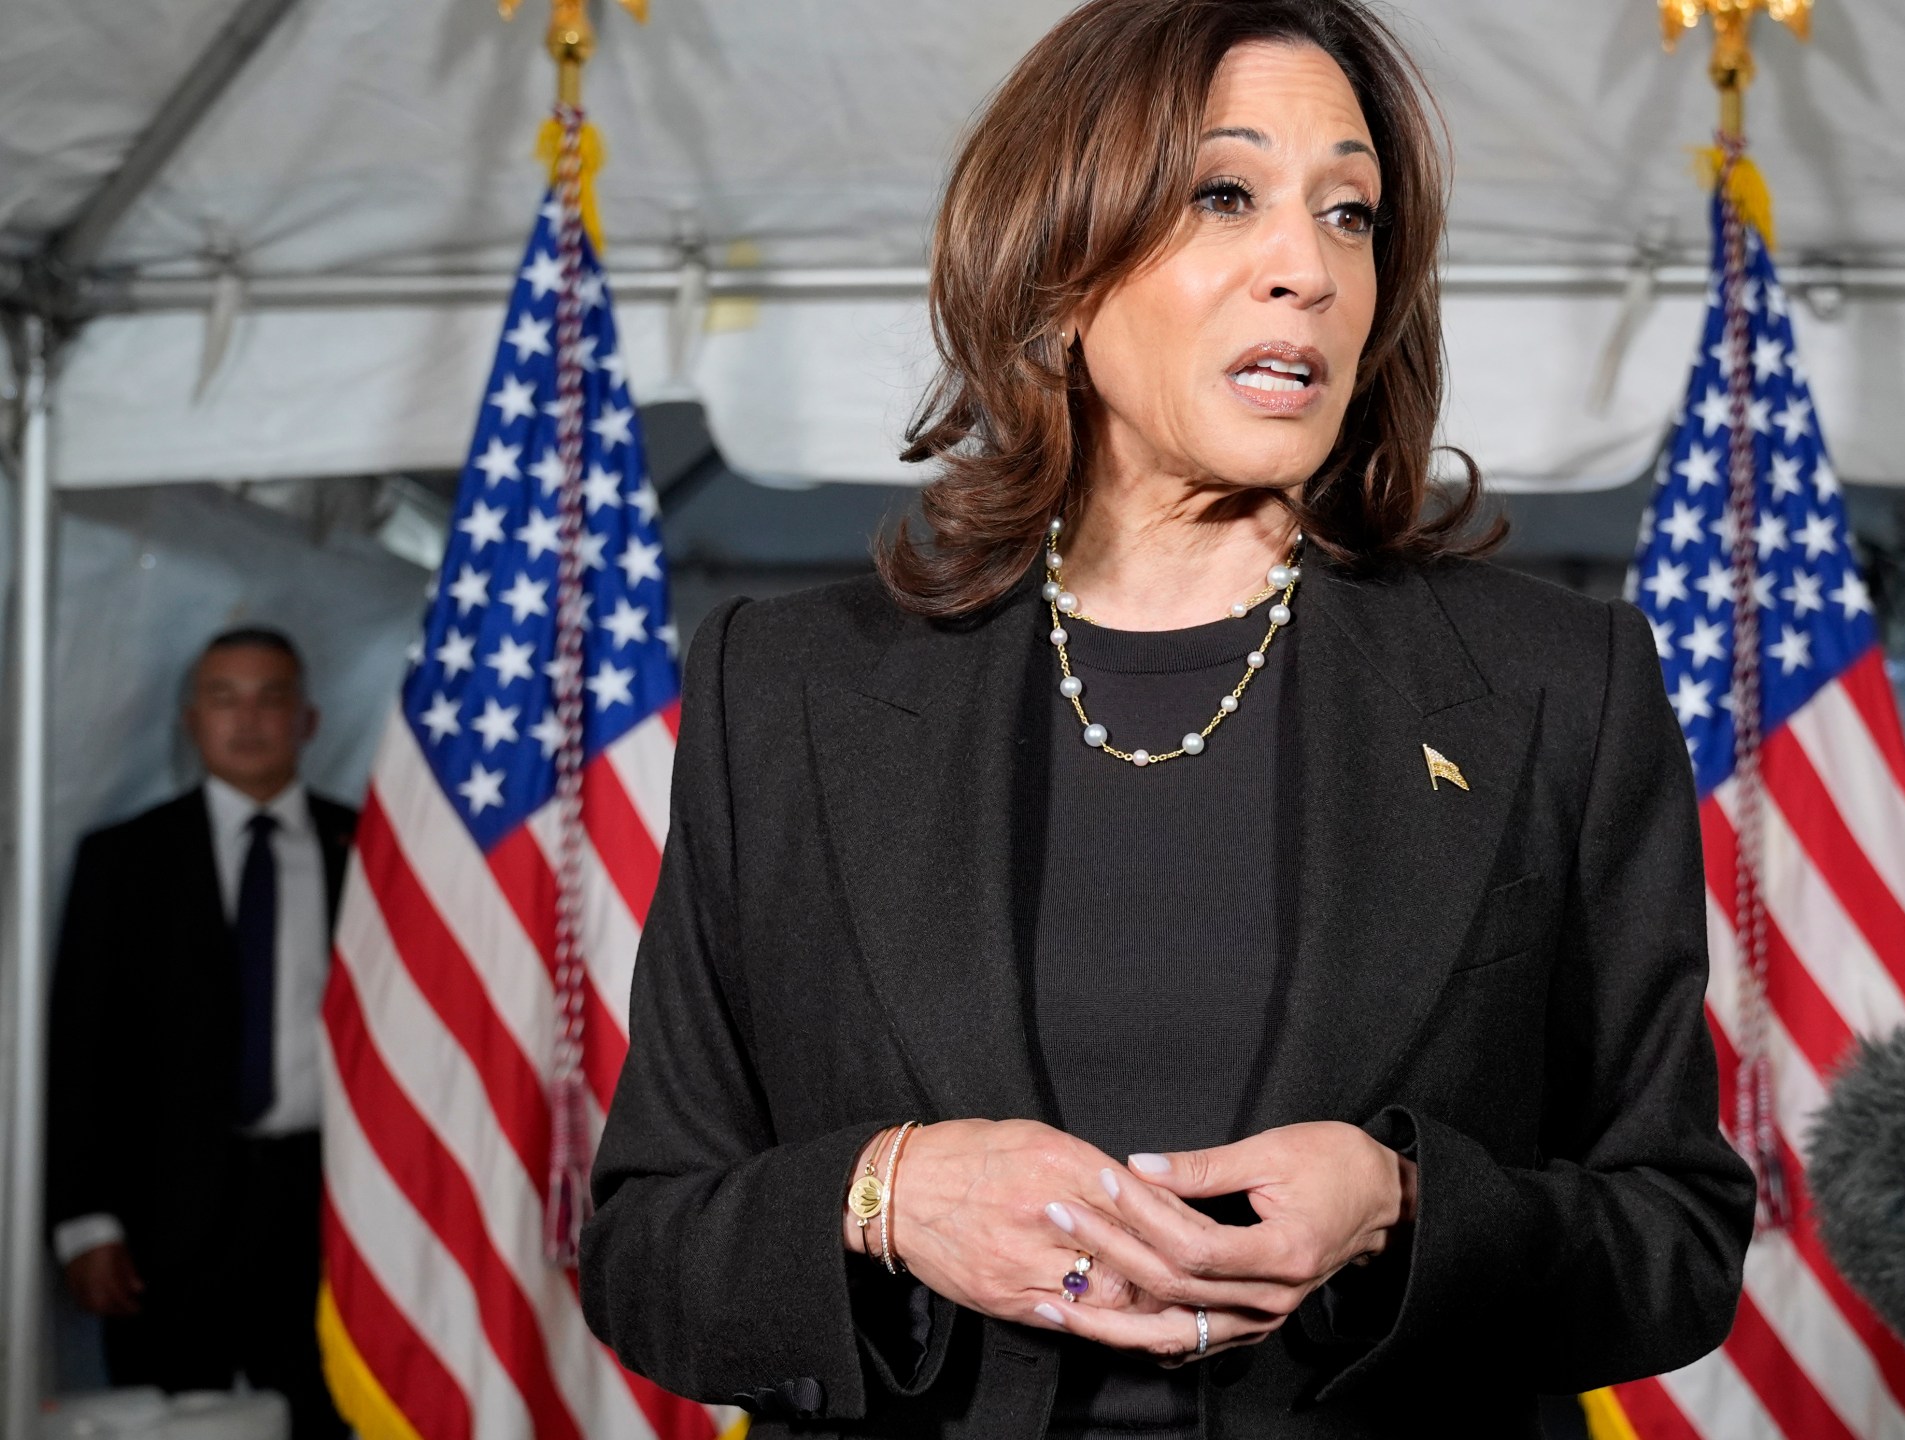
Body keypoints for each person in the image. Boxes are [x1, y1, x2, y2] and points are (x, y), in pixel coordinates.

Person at [578, 2, 1758, 1436]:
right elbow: (646, 1249)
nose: (1308, 270)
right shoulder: (794, 692)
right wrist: (887, 1196)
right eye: (1225, 195)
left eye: (1350, 213)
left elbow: (1677, 1239)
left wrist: (1405, 1204)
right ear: (1060, 272)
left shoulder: (1558, 685)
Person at [48, 628, 356, 1439]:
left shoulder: (365, 851)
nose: (247, 719)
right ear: (191, 718)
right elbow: (81, 1049)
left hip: (328, 1213)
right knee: (172, 1419)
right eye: (224, 697)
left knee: (327, 1417)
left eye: (271, 697)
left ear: (309, 720)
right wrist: (85, 1222)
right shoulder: (124, 859)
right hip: (164, 1223)